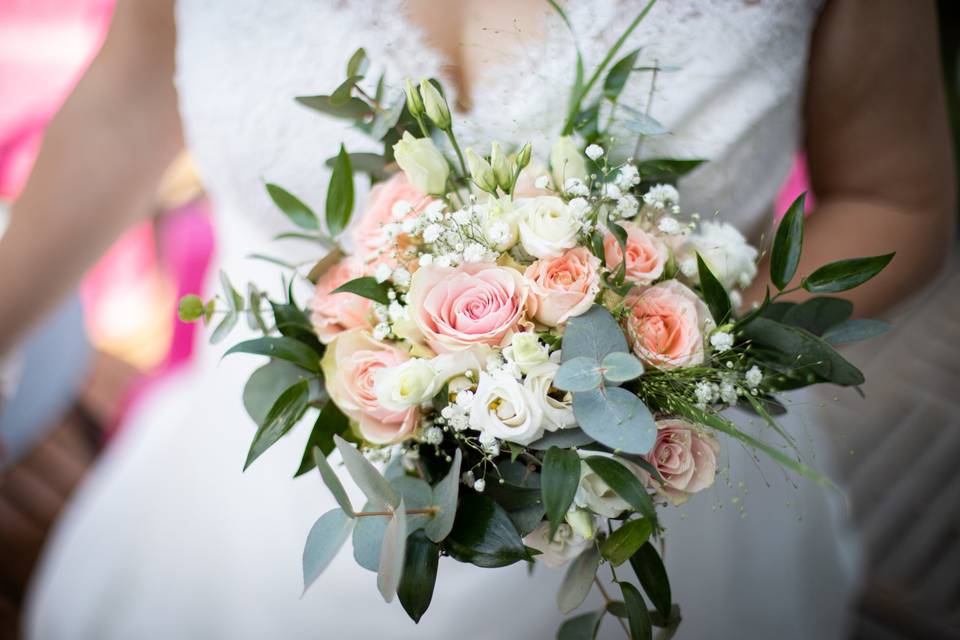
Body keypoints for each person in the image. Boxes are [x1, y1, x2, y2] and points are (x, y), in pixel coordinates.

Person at [0, 1, 953, 638]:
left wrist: (662, 370)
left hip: (649, 522)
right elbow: (129, 99)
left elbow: (898, 195)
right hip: (258, 513)